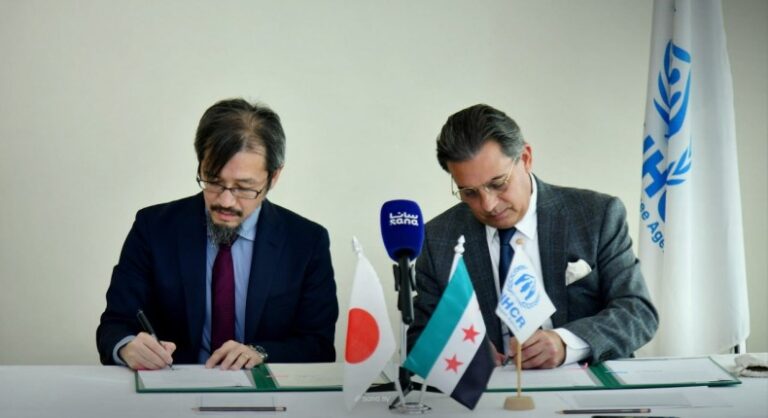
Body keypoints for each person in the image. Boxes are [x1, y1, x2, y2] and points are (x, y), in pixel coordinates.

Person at [408, 104, 658, 369]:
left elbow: (638, 313)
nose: (488, 204)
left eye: (498, 184)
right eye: (469, 192)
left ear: (526, 158)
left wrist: (568, 343)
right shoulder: (437, 239)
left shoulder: (596, 215)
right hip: (489, 389)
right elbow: (419, 336)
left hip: (586, 380)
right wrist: (459, 348)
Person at [97, 98, 338, 370]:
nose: (225, 201)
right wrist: (127, 346)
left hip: (264, 390)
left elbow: (319, 346)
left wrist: (261, 353)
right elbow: (115, 324)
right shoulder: (153, 228)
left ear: (274, 177)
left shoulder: (307, 242)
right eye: (213, 180)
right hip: (175, 387)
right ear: (200, 164)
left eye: (243, 187)